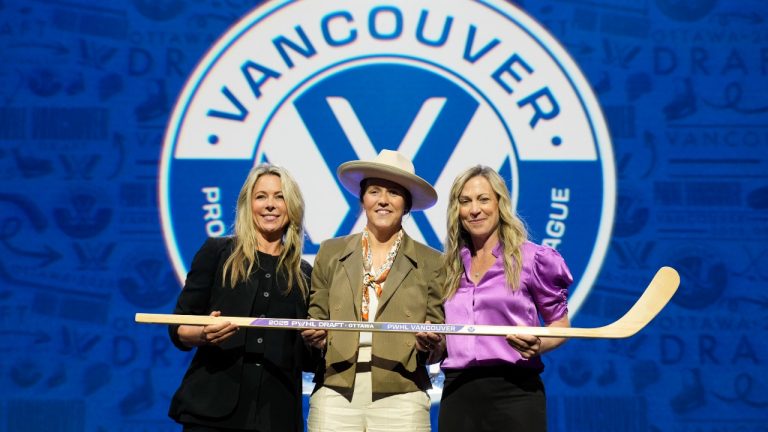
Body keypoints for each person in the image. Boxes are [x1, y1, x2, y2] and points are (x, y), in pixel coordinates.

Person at [301, 149, 445, 432]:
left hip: (402, 392)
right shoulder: (330, 252)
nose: (383, 200)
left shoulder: (432, 261)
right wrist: (316, 336)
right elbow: (315, 317)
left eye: (394, 192)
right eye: (374, 191)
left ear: (407, 204)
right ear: (363, 199)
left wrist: (429, 345)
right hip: (335, 390)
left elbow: (439, 339)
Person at [167, 164, 313, 432]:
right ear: (248, 205)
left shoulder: (304, 274)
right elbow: (179, 328)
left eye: (279, 197)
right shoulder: (217, 252)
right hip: (211, 413)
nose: (270, 205)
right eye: (261, 196)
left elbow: (308, 359)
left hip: (275, 417)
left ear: (292, 207)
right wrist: (203, 334)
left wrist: (316, 342)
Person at [435, 165, 573, 432]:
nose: (475, 209)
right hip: (458, 391)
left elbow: (560, 325)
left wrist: (538, 344)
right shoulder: (448, 268)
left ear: (500, 204)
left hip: (515, 392)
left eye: (483, 199)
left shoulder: (532, 259)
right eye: (465, 201)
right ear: (457, 210)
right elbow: (445, 338)